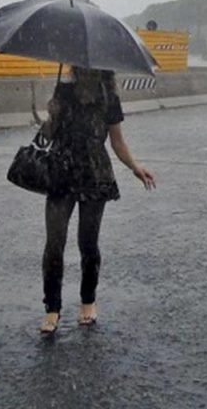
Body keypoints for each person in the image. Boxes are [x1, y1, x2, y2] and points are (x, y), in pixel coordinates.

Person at [38, 66, 156, 334]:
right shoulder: (63, 91)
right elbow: (49, 134)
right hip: (61, 173)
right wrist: (51, 115)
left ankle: (88, 301)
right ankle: (52, 308)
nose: (86, 72)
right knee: (54, 243)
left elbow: (117, 142)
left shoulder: (108, 97)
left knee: (88, 243)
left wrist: (135, 167)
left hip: (95, 175)